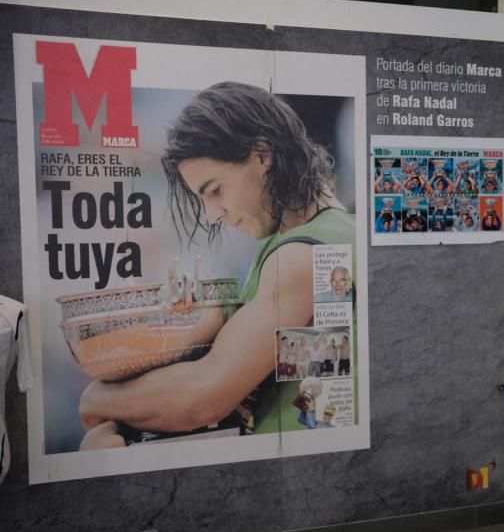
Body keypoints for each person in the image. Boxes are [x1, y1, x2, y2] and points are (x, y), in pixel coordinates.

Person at [78, 81, 355, 446]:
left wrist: (96, 399)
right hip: (300, 459)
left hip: (300, 472)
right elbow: (295, 366)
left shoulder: (301, 255)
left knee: (103, 441)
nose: (211, 214)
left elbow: (204, 397)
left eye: (215, 190)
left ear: (261, 155)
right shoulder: (312, 235)